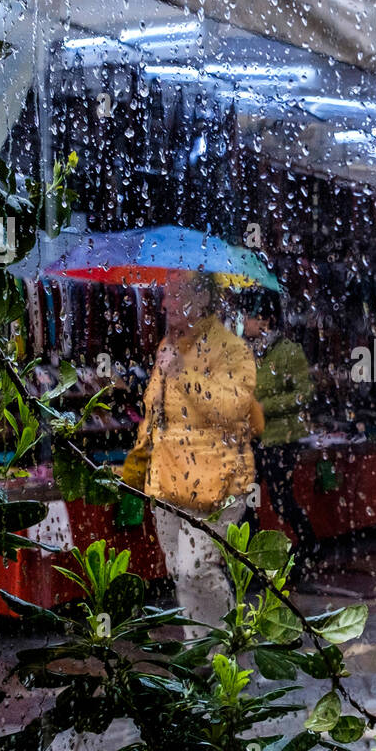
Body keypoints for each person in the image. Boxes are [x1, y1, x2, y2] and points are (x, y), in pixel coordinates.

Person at [121, 271, 264, 638]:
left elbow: (231, 409)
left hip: (219, 482)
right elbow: (154, 415)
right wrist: (134, 470)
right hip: (168, 482)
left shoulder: (233, 349)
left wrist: (183, 373)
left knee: (195, 568)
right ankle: (199, 647)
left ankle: (226, 647)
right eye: (166, 295)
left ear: (201, 300)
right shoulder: (167, 347)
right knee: (180, 571)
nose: (166, 303)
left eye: (176, 294)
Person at [240, 287, 319, 570]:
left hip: (279, 440)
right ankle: (253, 561)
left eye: (248, 317)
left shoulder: (288, 352)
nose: (243, 323)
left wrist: (265, 406)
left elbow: (304, 393)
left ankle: (308, 545)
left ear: (265, 321)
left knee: (281, 499)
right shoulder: (241, 352)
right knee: (247, 501)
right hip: (251, 441)